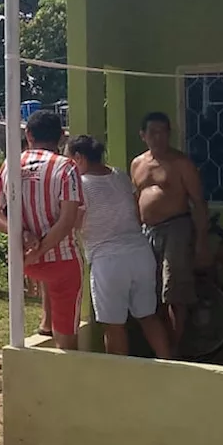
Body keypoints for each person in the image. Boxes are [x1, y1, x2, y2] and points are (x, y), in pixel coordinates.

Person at [0, 111, 84, 350]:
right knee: (67, 334)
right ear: (61, 137)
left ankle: (44, 325)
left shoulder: (11, 165)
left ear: (28, 135)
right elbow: (67, 221)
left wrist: (20, 234)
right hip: (62, 260)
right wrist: (41, 250)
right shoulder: (67, 167)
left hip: (22, 259)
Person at [68, 136, 173, 358]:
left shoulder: (80, 185)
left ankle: (118, 379)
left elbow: (76, 222)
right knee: (149, 317)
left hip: (108, 261)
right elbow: (136, 210)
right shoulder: (120, 175)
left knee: (113, 326)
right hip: (140, 253)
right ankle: (169, 364)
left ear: (79, 158)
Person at [131, 112, 211, 352]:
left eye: (163, 132)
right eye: (153, 132)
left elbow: (198, 202)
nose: (158, 137)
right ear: (143, 135)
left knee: (174, 290)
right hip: (147, 232)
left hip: (176, 228)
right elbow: (136, 200)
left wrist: (201, 242)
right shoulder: (137, 164)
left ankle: (176, 349)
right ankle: (159, 347)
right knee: (149, 290)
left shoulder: (180, 163)